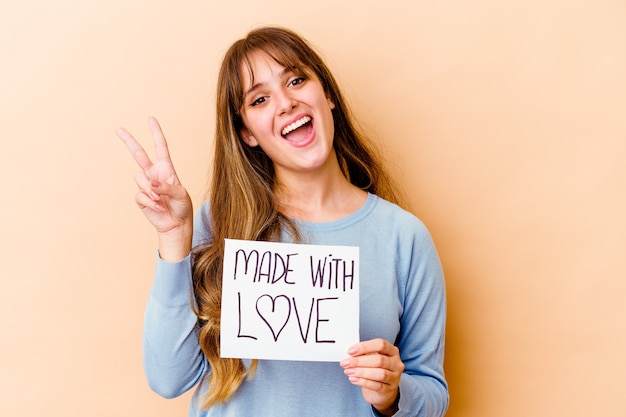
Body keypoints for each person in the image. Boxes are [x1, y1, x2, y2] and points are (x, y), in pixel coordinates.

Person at [117, 26, 448, 417]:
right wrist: (174, 238)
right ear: (247, 133)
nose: (286, 102)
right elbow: (168, 378)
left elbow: (433, 395)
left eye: (296, 79)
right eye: (259, 99)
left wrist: (393, 394)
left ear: (327, 95)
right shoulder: (219, 223)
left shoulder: (403, 237)